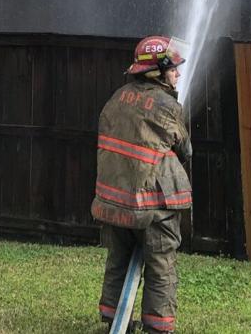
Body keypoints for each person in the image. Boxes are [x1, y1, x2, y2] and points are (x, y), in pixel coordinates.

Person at [92, 35, 192, 334]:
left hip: (114, 202)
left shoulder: (117, 97)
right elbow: (185, 151)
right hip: (152, 207)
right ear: (156, 72)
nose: (178, 74)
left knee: (119, 258)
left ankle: (112, 318)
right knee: (161, 264)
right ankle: (158, 327)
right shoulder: (167, 106)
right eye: (172, 69)